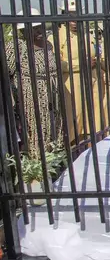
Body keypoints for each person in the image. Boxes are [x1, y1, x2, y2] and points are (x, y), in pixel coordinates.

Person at [5, 9, 63, 158]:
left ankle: (53, 159)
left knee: (54, 129)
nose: (39, 31)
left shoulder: (48, 45)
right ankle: (37, 163)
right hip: (31, 99)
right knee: (36, 131)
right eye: (34, 28)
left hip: (52, 97)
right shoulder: (17, 47)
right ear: (23, 32)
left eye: (40, 27)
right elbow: (7, 75)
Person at [55, 0, 109, 146]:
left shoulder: (87, 35)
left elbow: (98, 53)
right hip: (72, 85)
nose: (74, 22)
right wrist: (80, 64)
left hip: (93, 81)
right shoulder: (57, 36)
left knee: (94, 118)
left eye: (76, 17)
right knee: (75, 119)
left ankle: (93, 150)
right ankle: (75, 152)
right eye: (70, 18)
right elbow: (57, 64)